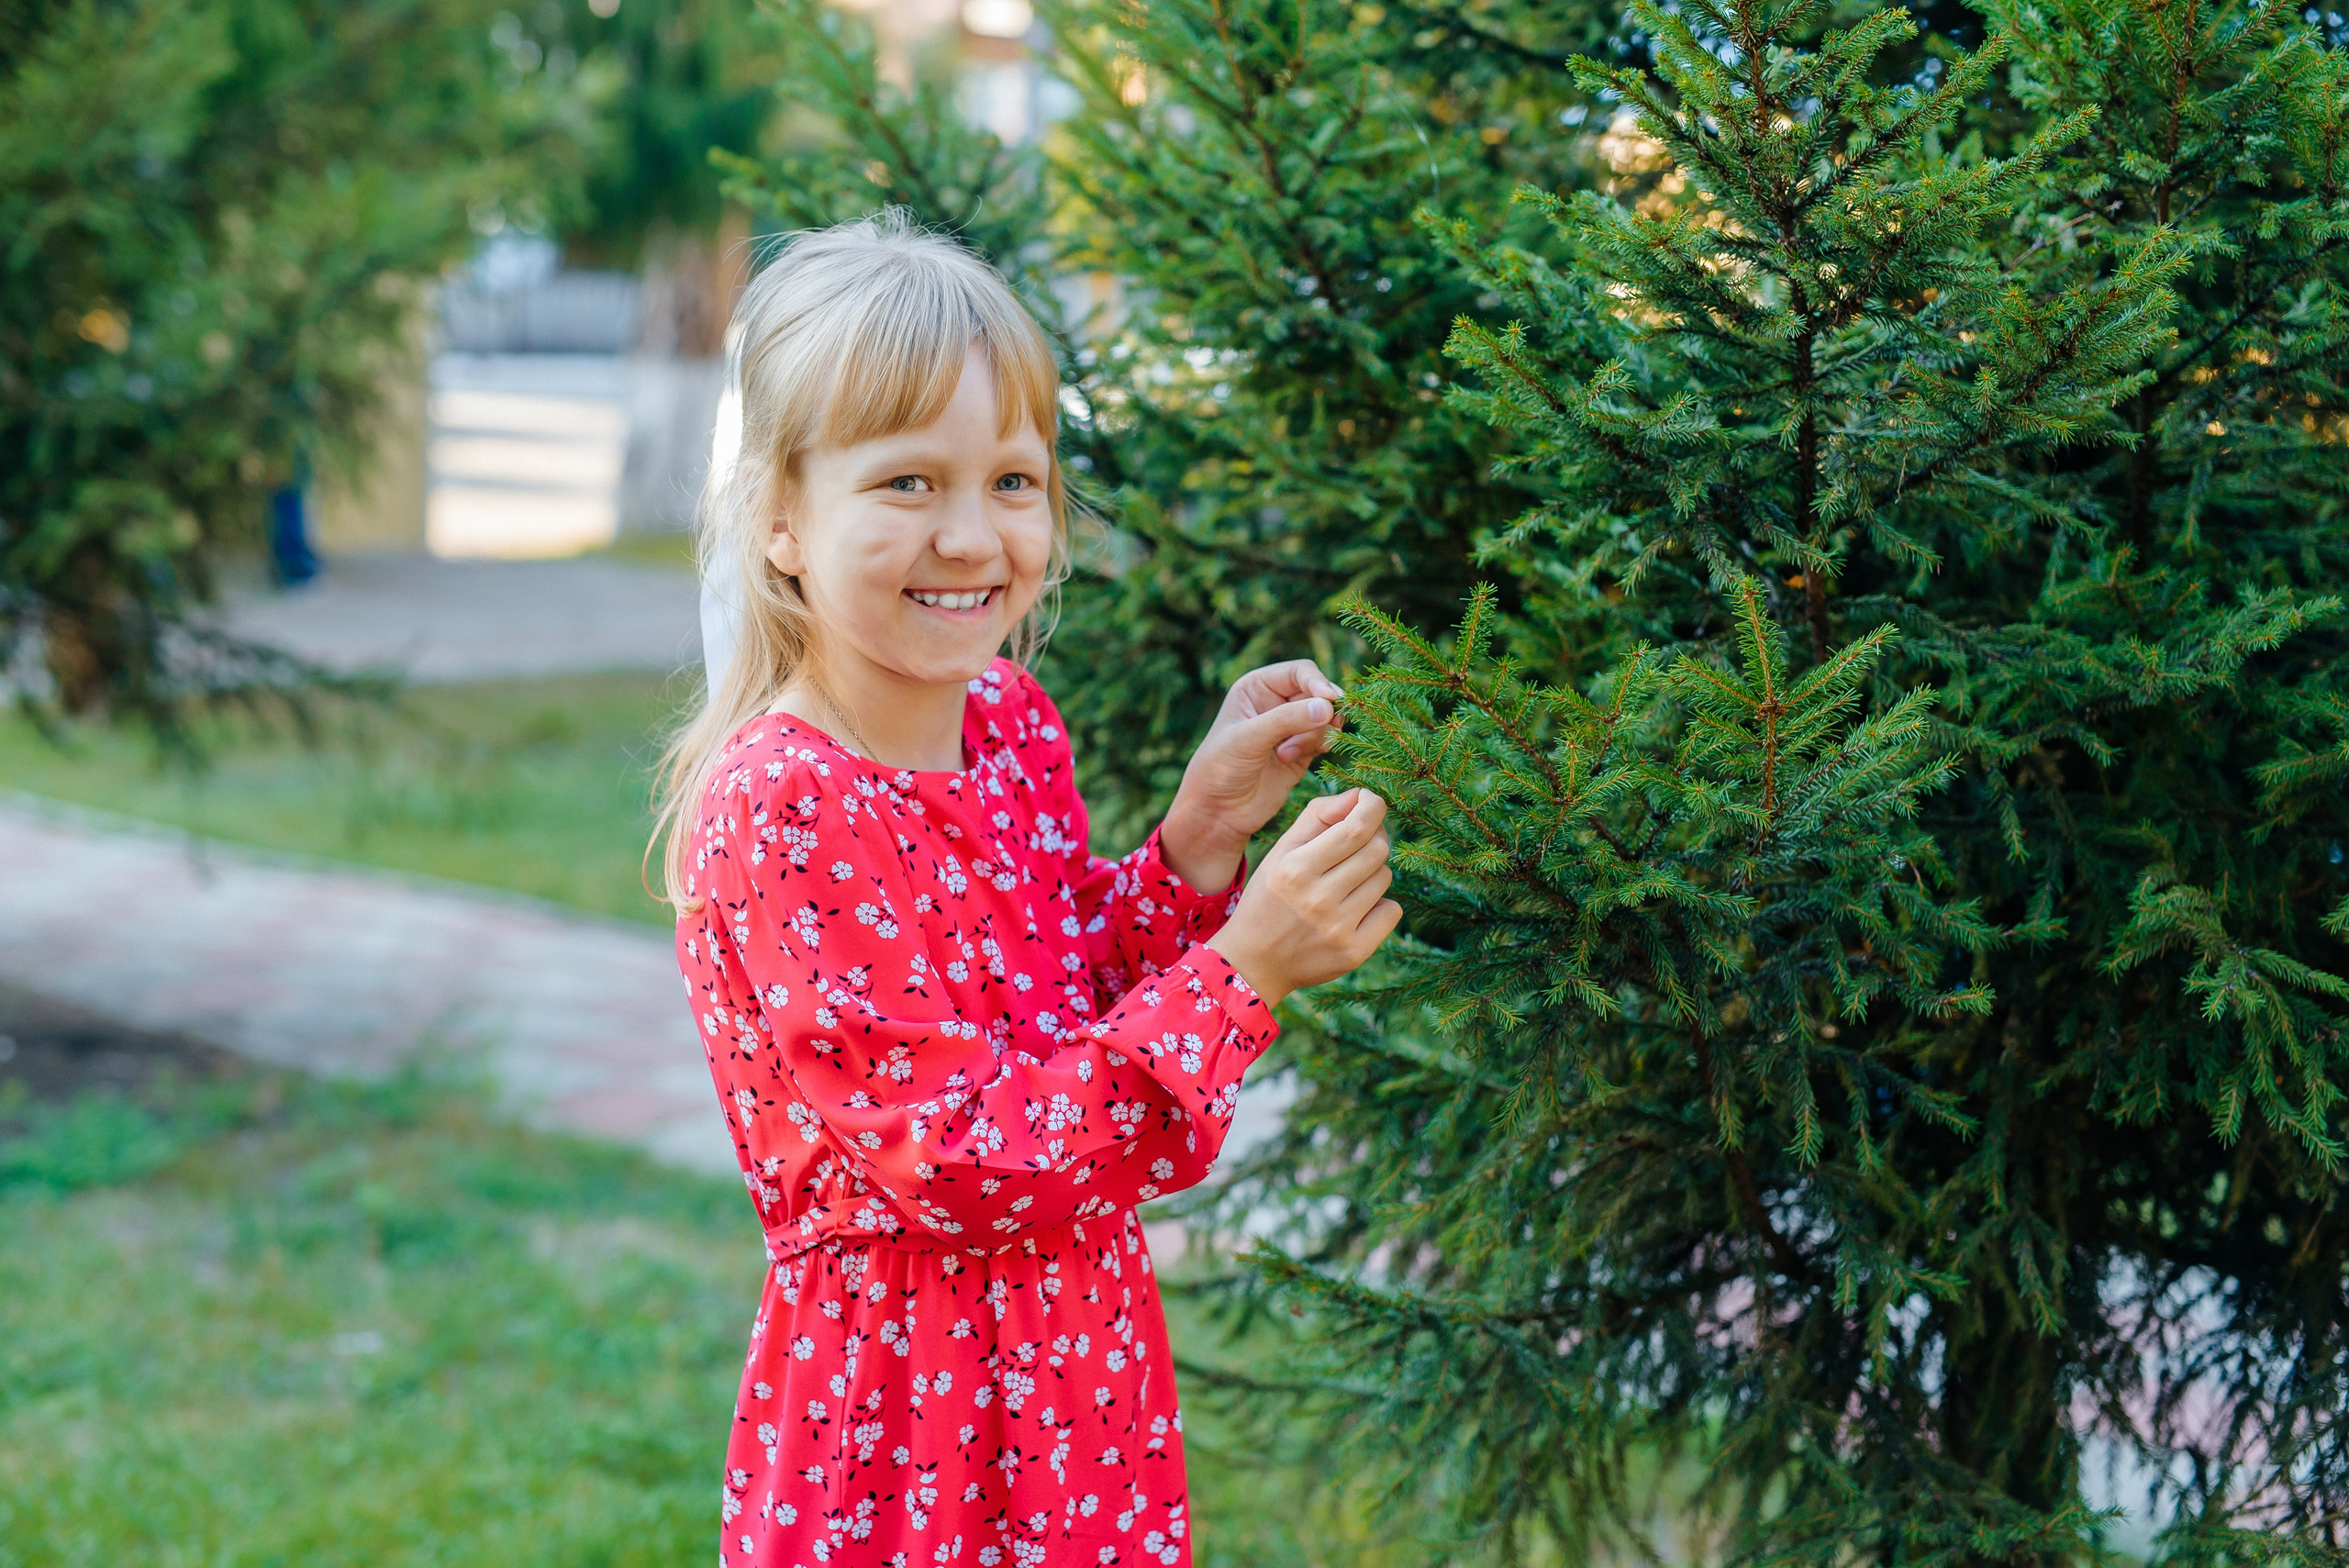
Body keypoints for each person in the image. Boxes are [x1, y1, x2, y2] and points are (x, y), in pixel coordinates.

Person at [651, 211, 1399, 1568]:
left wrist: (1199, 837)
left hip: (1074, 1393)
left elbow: (1057, 1003)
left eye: (1012, 479)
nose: (971, 534)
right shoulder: (785, 802)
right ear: (778, 519)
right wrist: (1251, 973)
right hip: (905, 1431)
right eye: (906, 484)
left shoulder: (1007, 722)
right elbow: (969, 1156)